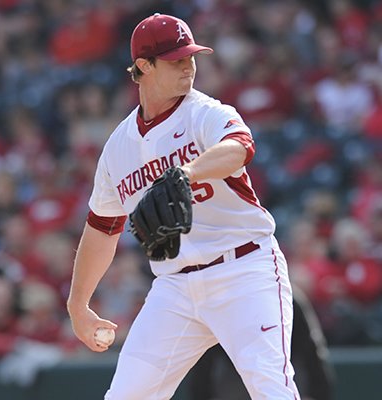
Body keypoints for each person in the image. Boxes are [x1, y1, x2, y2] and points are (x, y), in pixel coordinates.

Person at [67, 13, 301, 399]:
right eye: (176, 60)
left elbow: (240, 148)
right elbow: (102, 227)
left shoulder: (205, 112)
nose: (189, 66)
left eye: (191, 57)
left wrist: (187, 173)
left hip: (244, 270)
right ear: (144, 66)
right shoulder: (118, 147)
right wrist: (78, 305)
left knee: (271, 388)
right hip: (174, 286)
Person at [187, 288, 334, 400]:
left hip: (281, 369)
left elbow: (311, 351)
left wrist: (318, 395)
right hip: (235, 377)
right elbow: (205, 357)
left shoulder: (286, 295)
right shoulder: (223, 299)